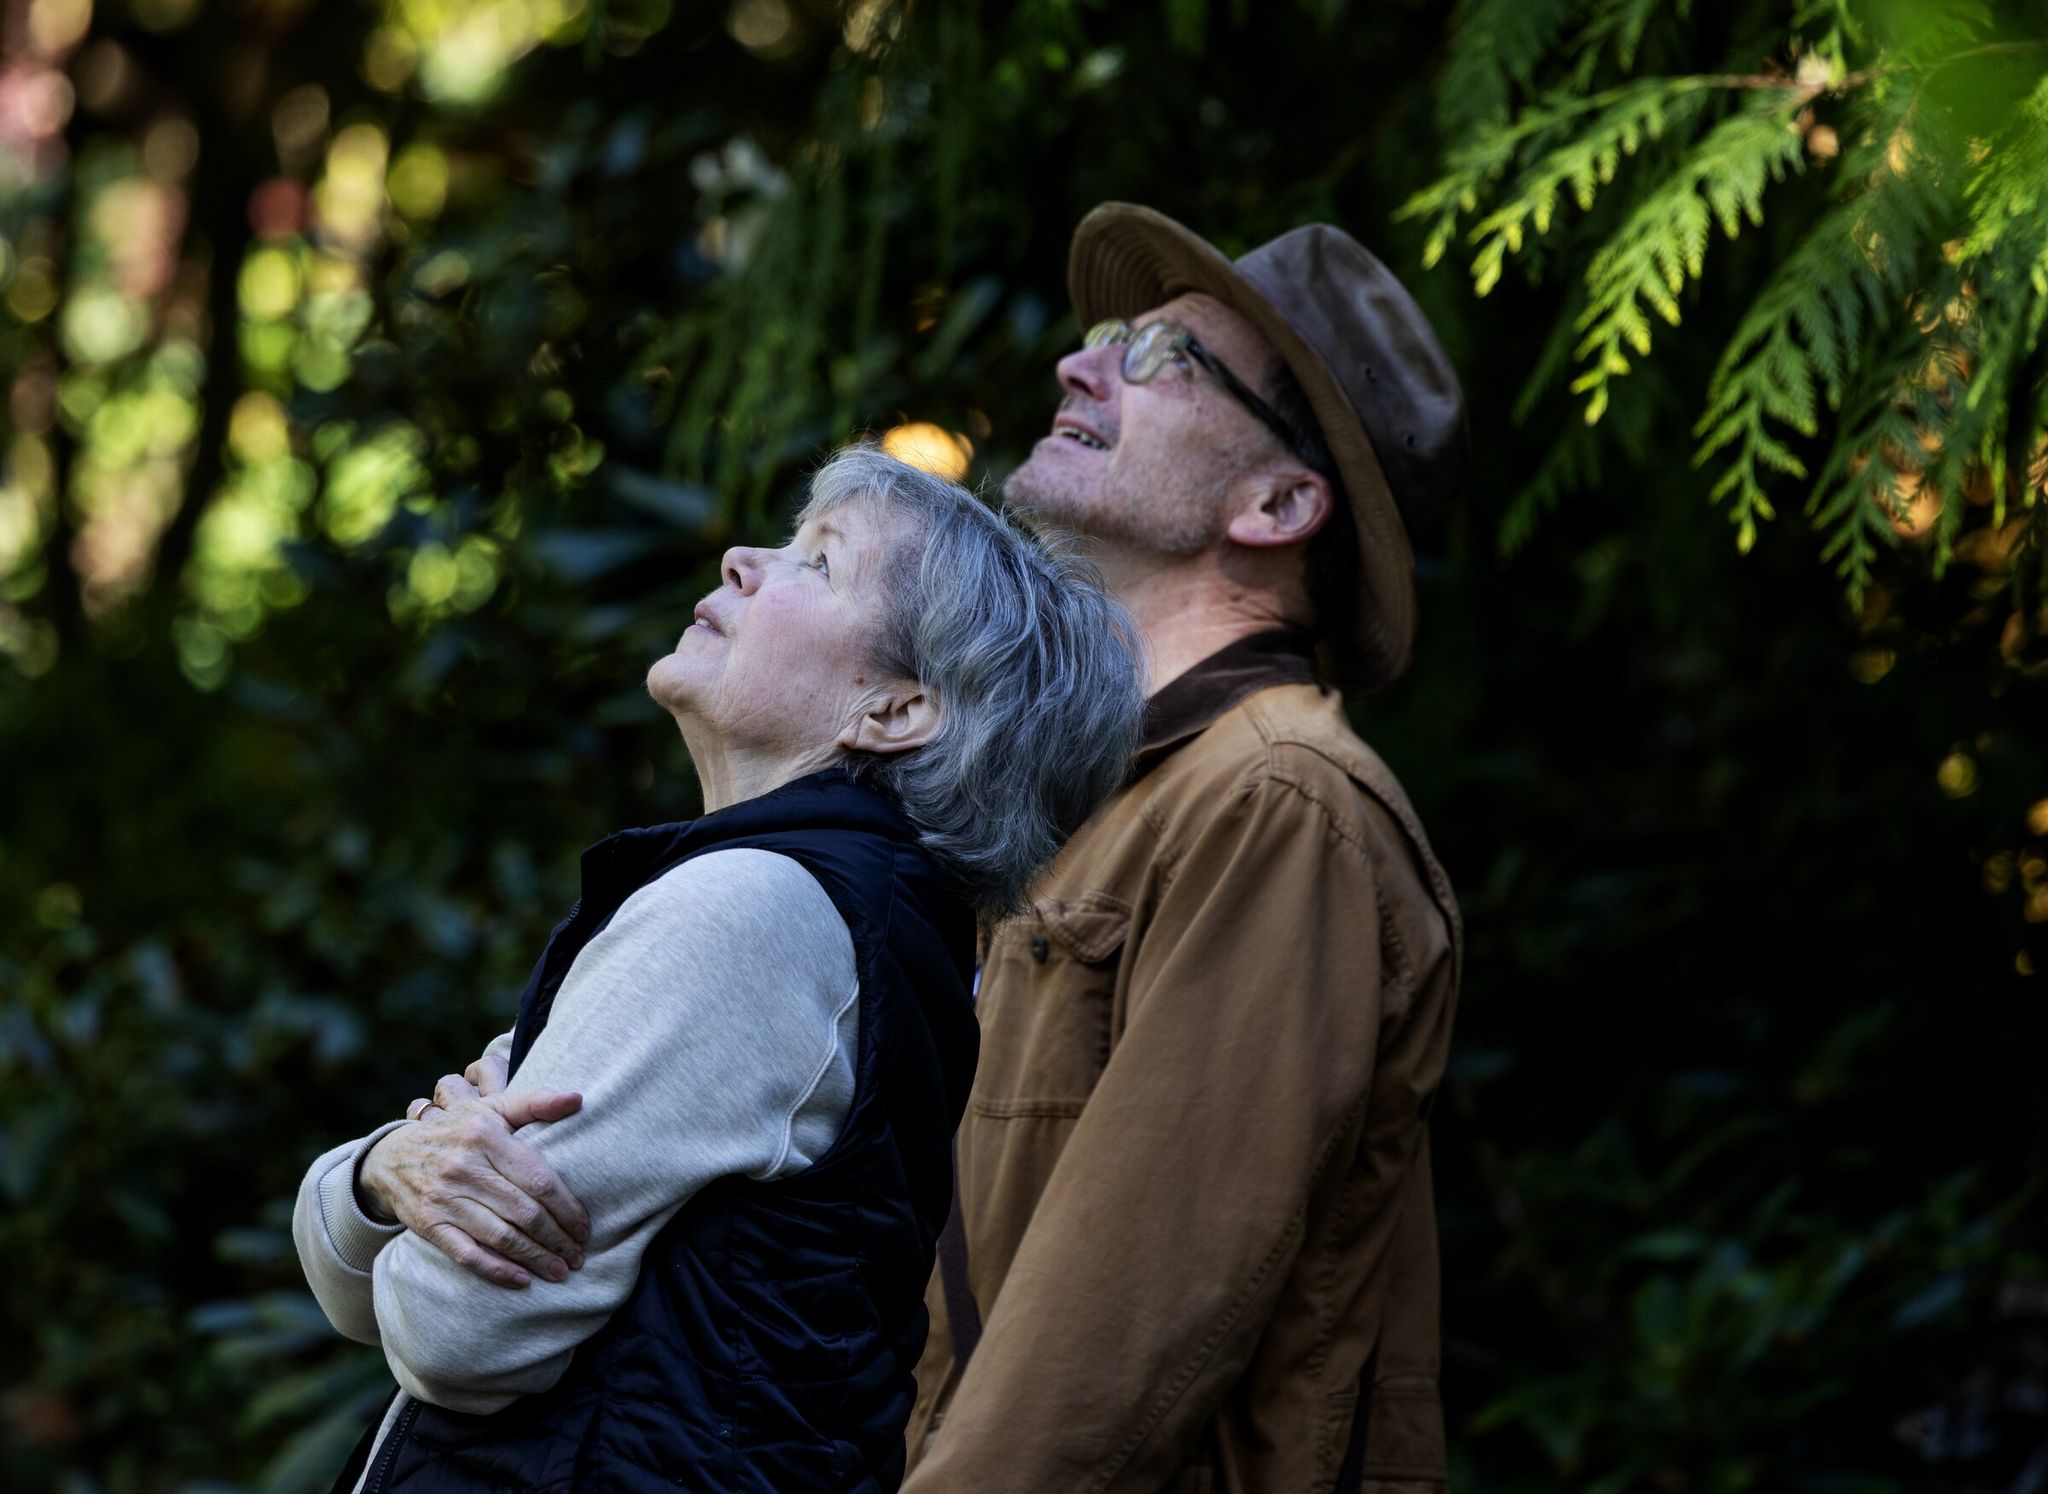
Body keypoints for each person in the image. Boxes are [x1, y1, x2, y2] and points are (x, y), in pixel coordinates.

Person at [292, 443, 1145, 1493]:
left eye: (819, 563)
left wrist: (393, 1179)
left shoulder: (749, 914)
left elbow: (455, 1333)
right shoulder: (849, 910)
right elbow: (363, 1268)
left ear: (894, 708)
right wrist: (389, 1173)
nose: (742, 558)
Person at [896, 205, 1467, 1493]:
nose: (1076, 366)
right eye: (1108, 336)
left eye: (1159, 358)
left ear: (1276, 502)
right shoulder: (1099, 803)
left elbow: (1100, 1367)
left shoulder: (1280, 805)